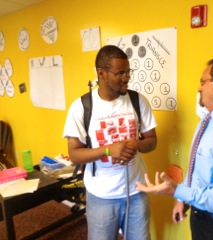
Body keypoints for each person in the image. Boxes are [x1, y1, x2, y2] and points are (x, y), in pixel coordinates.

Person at [136, 57, 213, 240]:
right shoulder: (207, 121)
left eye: (203, 82)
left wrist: (177, 191)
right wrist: (183, 199)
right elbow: (197, 168)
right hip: (201, 219)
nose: (199, 88)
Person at [63, 45, 157, 240]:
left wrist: (136, 145)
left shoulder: (138, 101)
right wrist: (107, 150)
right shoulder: (81, 107)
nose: (127, 78)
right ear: (101, 73)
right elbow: (74, 154)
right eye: (120, 73)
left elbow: (152, 141)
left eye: (128, 71)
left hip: (136, 193)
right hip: (101, 196)